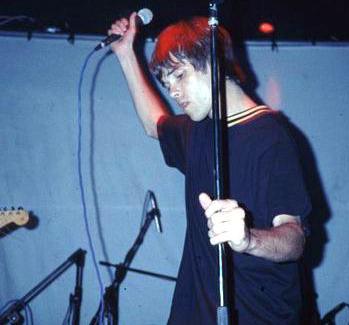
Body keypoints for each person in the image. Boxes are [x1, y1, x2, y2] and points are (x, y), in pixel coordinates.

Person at [107, 14, 311, 324]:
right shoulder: (198, 129)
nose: (172, 91)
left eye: (179, 76)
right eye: (166, 82)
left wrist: (247, 239)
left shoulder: (271, 137)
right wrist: (125, 54)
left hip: (260, 316)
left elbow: (295, 238)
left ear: (213, 63)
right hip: (199, 313)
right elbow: (154, 124)